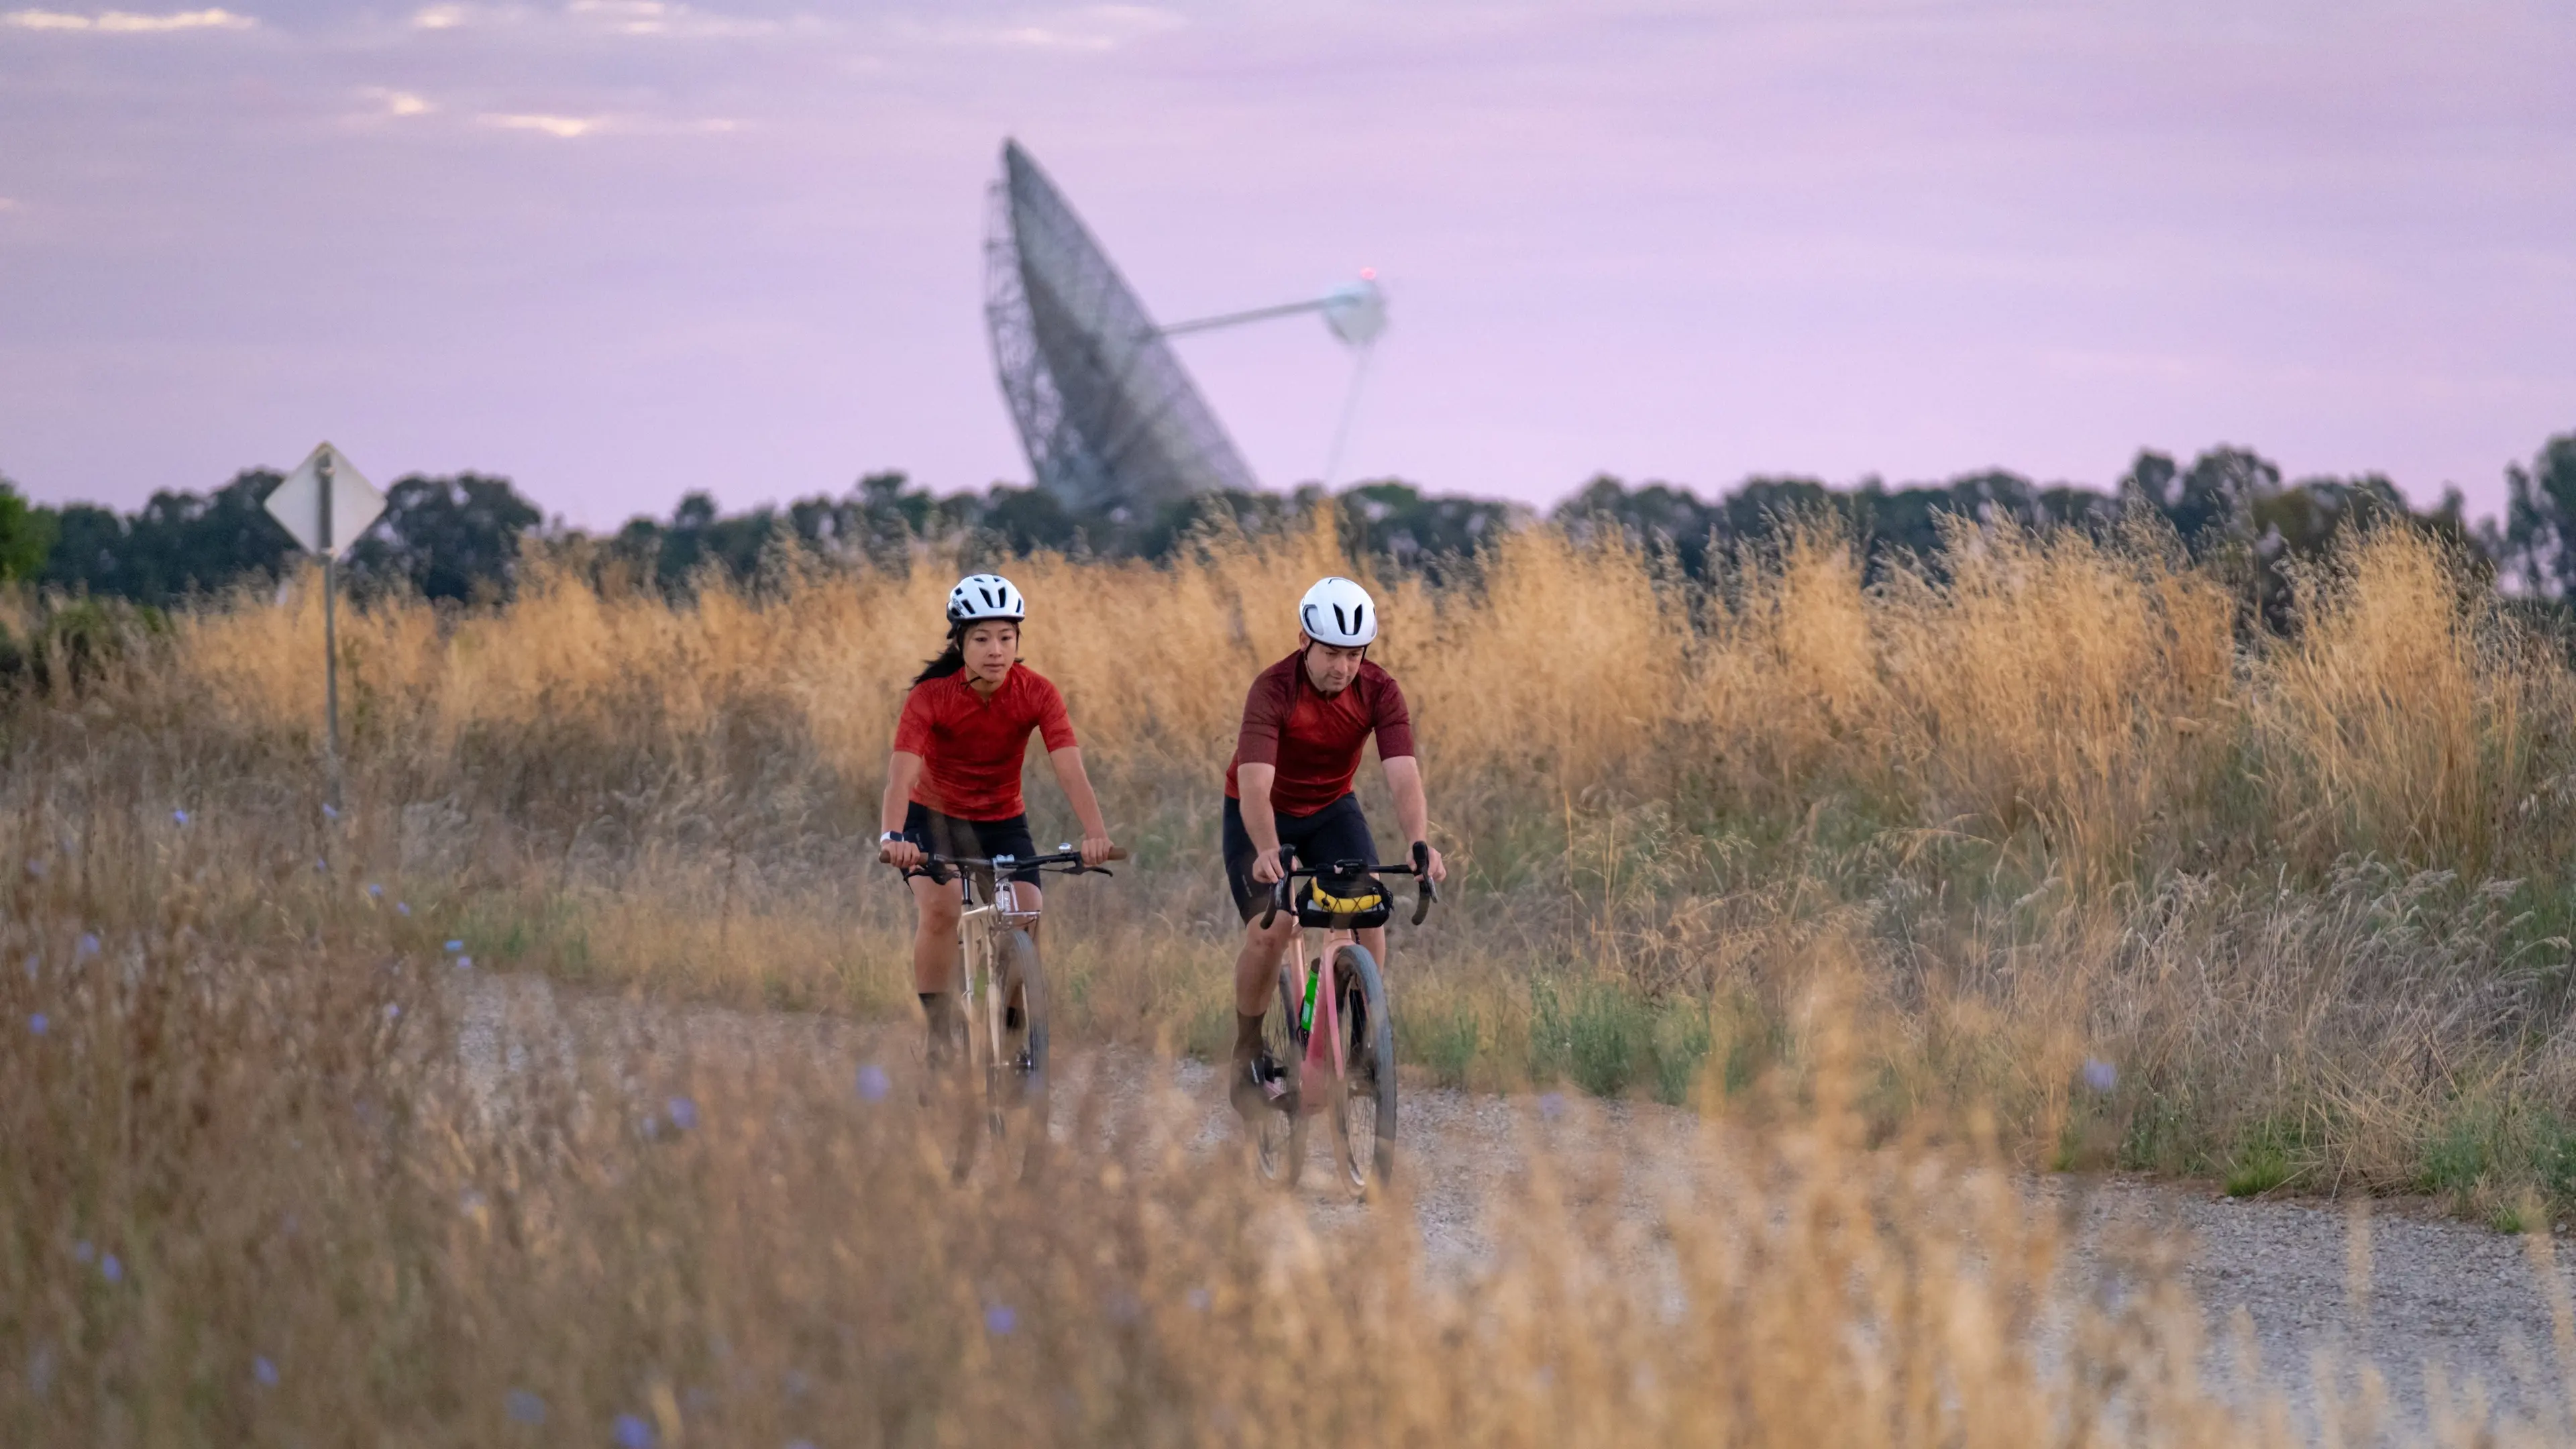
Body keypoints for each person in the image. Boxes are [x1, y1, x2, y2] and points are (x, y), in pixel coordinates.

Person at [1222, 575, 1447, 1120]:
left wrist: (1419, 843)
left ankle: (1364, 1046)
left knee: (1369, 913)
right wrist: (1270, 849)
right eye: (1330, 653)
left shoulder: (1381, 691)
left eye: (1353, 655)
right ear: (1304, 641)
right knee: (1272, 928)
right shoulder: (1273, 689)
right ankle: (1248, 1052)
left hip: (1331, 808)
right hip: (1262, 810)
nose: (1341, 667)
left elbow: (1402, 775)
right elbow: (1254, 783)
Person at [877, 573, 1116, 1063]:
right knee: (941, 908)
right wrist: (894, 835)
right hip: (932, 820)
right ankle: (940, 1031)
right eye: (982, 638)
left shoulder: (1037, 693)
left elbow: (1070, 770)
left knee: (1026, 914)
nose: (995, 650)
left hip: (1002, 821)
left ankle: (1011, 1030)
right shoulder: (930, 697)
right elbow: (901, 776)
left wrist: (1096, 834)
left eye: (1006, 637)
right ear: (959, 641)